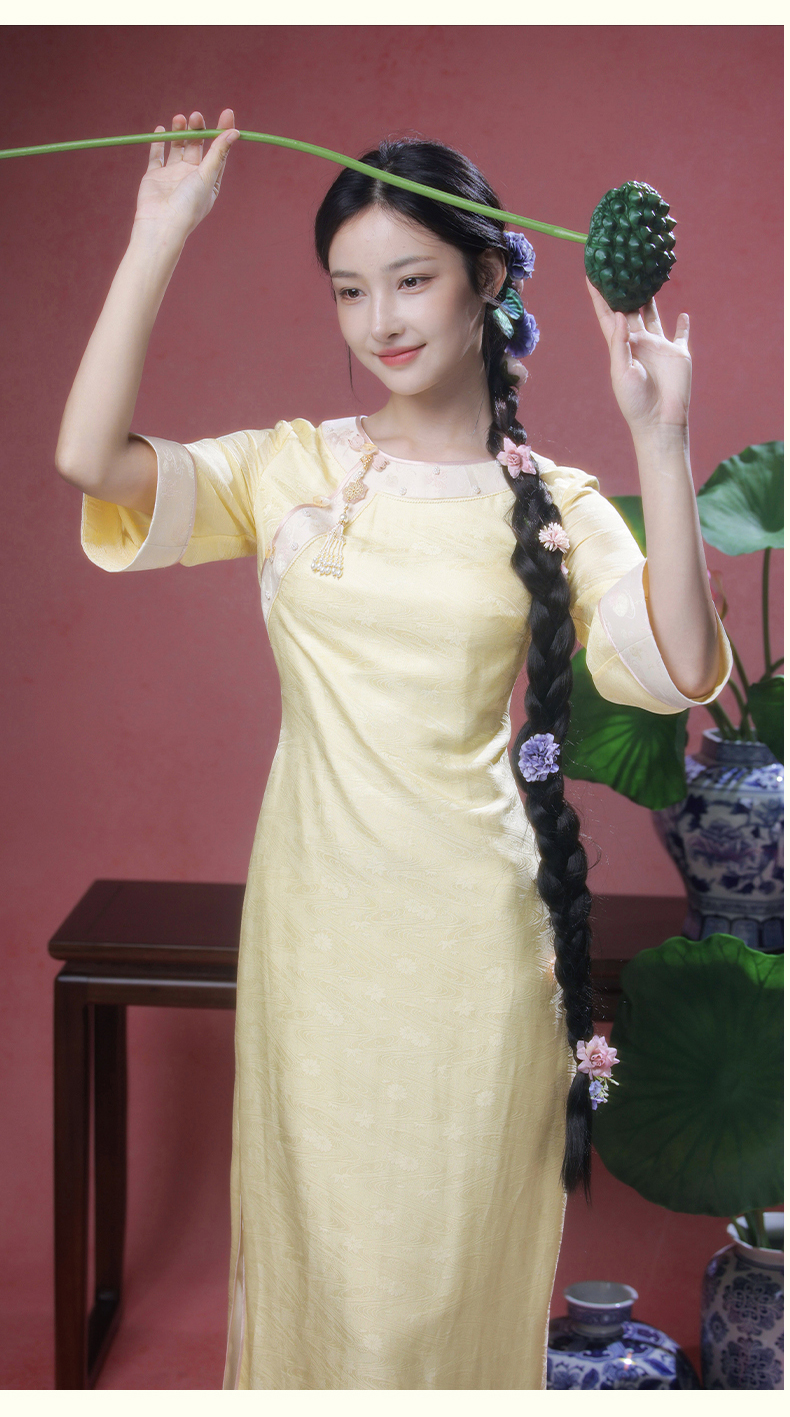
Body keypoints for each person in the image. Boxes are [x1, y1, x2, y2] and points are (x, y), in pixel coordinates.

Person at [56, 109, 731, 1390]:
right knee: (322, 1288)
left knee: (442, 1303)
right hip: (316, 949)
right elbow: (89, 458)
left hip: (478, 959)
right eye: (349, 290)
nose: (380, 321)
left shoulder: (556, 504)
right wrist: (157, 232)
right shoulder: (291, 469)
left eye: (410, 280)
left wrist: (661, 434)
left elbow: (682, 664)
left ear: (488, 275)